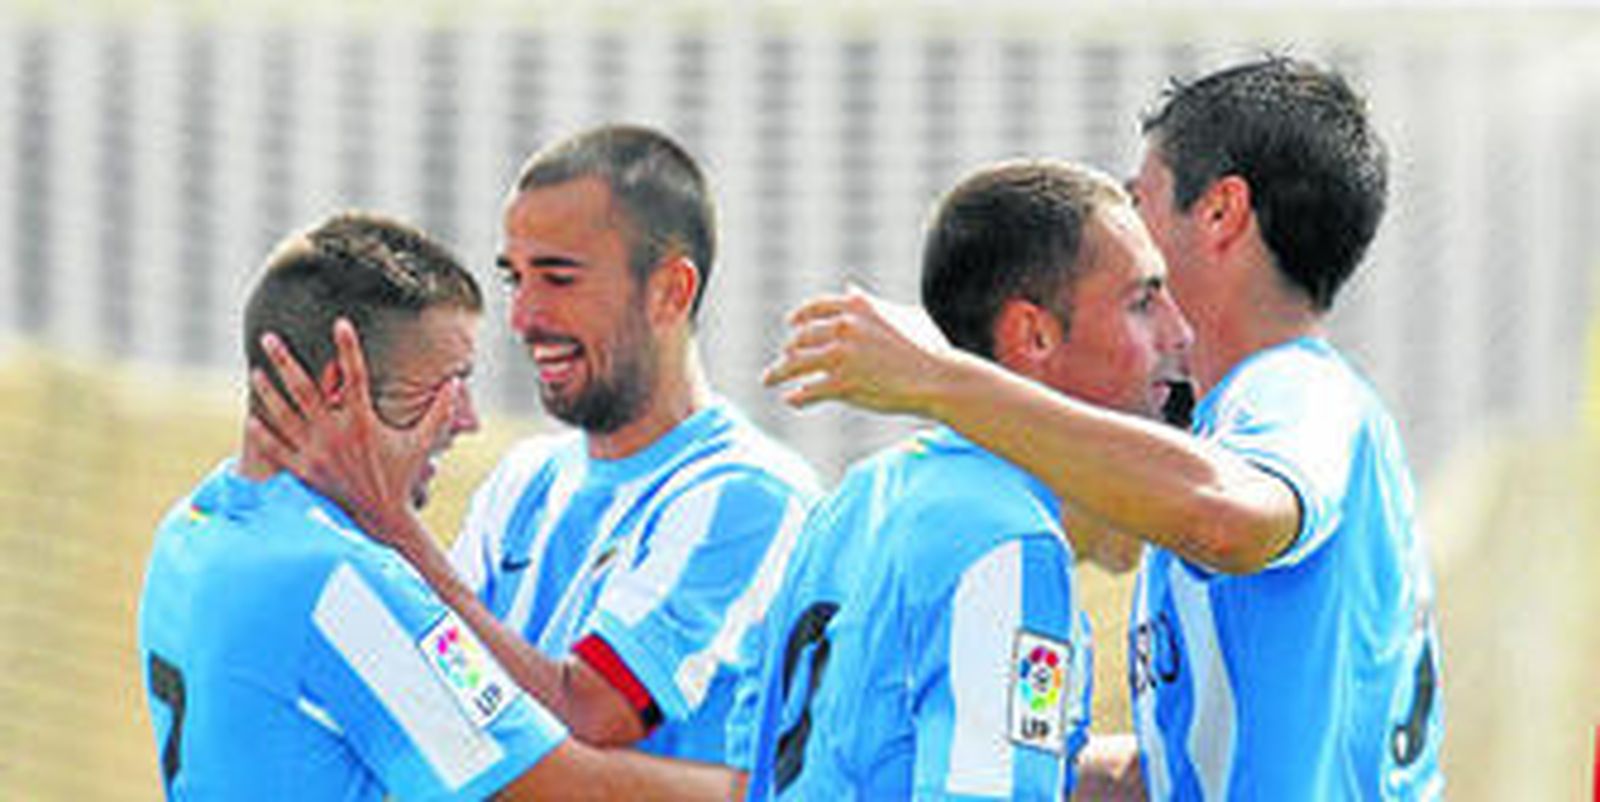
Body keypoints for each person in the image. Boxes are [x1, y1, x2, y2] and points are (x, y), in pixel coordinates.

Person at [763, 56, 1444, 800]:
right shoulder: (1218, 436)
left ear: (1221, 212)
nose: (1130, 227)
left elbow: (1228, 519)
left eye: (1140, 198)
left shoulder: (1298, 391)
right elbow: (1170, 772)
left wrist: (938, 378)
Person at [250, 124, 818, 766]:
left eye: (558, 279)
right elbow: (447, 678)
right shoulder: (526, 478)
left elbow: (588, 718)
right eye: (515, 279)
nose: (522, 318)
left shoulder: (747, 495)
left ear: (670, 291)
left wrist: (392, 526)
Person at [137, 212, 733, 799]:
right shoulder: (339, 584)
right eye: (449, 385)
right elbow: (566, 791)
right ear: (342, 384)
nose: (468, 420)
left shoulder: (191, 529)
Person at [732, 160, 1191, 801]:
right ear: (1033, 334)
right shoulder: (1008, 542)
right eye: (1142, 302)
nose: (1179, 331)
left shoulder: (862, 496)